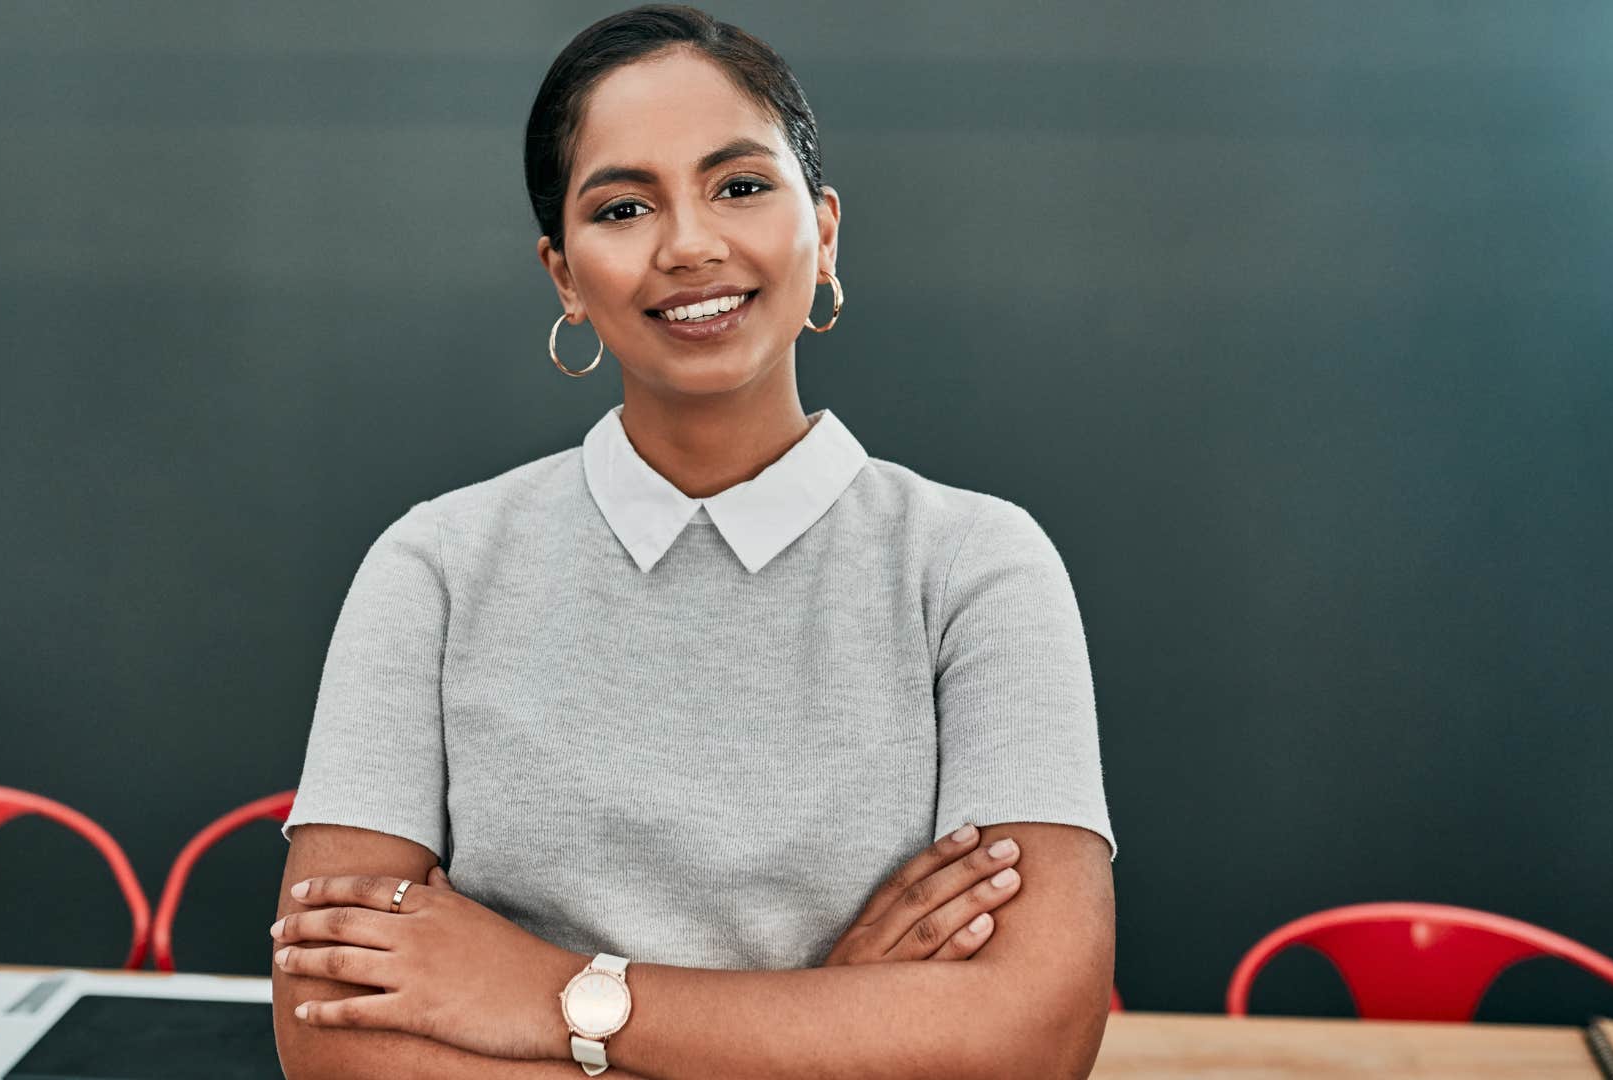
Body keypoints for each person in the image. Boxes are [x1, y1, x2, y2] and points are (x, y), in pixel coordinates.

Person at [269, 6, 1116, 1078]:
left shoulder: (977, 567)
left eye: (742, 186)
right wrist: (836, 1021)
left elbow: (1033, 1040)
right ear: (565, 277)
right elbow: (334, 1040)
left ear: (827, 230)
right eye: (623, 206)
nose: (689, 244)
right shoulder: (432, 567)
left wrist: (549, 992)